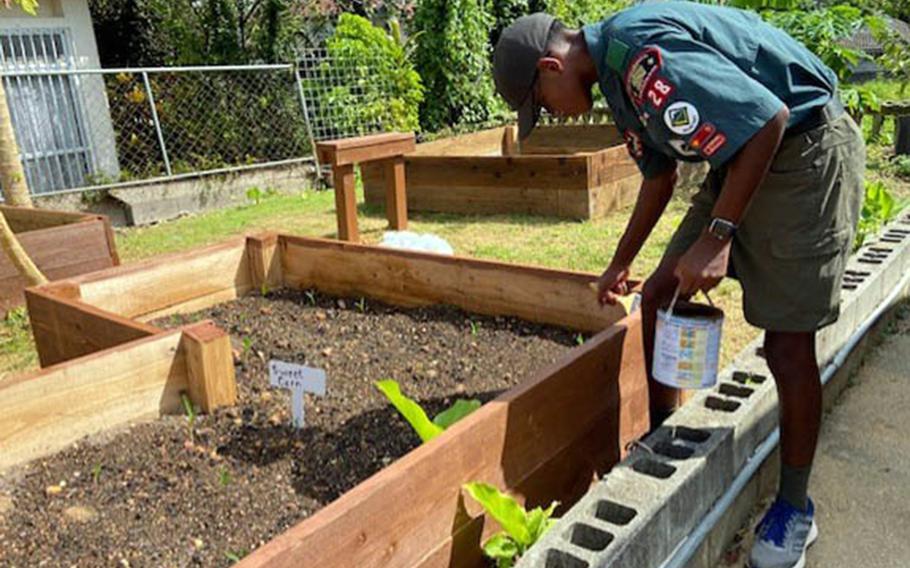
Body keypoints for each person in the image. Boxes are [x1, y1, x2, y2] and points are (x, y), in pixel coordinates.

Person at [491, 3, 865, 568]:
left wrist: (717, 238)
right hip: (742, 159)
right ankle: (667, 438)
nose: (553, 115)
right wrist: (621, 263)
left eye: (542, 105)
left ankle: (795, 509)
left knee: (786, 345)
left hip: (805, 150)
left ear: (550, 66)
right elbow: (660, 175)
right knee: (659, 295)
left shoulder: (640, 54)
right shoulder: (616, 80)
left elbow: (769, 119)